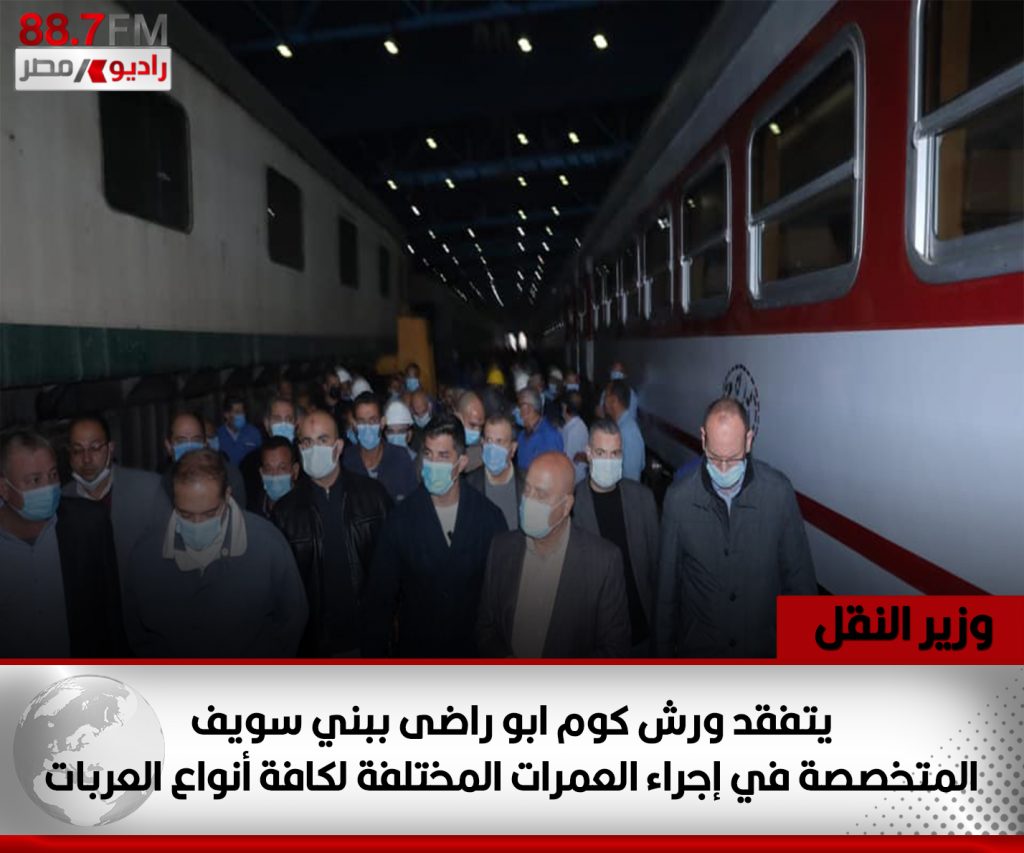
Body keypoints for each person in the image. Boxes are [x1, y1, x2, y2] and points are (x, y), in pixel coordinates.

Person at [654, 398, 818, 658]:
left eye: (732, 459)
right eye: (714, 457)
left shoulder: (778, 493)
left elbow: (800, 584)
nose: (722, 469)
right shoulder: (678, 500)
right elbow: (666, 596)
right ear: (703, 438)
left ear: (749, 440)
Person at [123, 449, 307, 657]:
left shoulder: (267, 544)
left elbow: (292, 617)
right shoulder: (147, 553)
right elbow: (136, 630)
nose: (197, 524)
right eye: (186, 515)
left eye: (209, 514)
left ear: (227, 495)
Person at [362, 417, 507, 657]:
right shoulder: (401, 519)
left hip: (471, 652)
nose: (432, 463)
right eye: (428, 454)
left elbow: (501, 596)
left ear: (461, 463)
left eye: (443, 456)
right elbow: (380, 598)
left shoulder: (488, 518)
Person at [477, 452, 630, 658]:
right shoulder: (501, 549)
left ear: (566, 506)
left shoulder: (603, 562)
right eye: (527, 490)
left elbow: (615, 649)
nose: (529, 501)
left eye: (541, 495)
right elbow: (485, 628)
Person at [271, 411, 392, 656]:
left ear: (338, 446)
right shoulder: (284, 513)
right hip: (315, 645)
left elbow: (393, 567)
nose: (314, 448)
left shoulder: (373, 496)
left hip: (369, 638)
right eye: (307, 442)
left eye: (322, 440)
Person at [0, 428, 127, 657]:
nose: (48, 487)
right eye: (35, 480)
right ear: (4, 488)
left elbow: (110, 612)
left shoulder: (88, 523)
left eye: (53, 475)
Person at [572, 419, 659, 654]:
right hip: (599, 641)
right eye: (601, 453)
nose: (608, 461)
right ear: (588, 453)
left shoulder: (643, 499)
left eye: (615, 454)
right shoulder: (572, 505)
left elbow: (657, 567)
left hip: (644, 633)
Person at [62, 413, 170, 575]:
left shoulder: (149, 489)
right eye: (77, 450)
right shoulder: (61, 501)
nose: (86, 459)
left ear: (110, 449)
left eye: (95, 448)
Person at [342, 392, 418, 502]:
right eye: (361, 422)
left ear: (382, 423)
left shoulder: (400, 458)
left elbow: (414, 502)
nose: (367, 427)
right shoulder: (345, 460)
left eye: (373, 420)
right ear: (354, 424)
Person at [164, 412, 247, 507]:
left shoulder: (229, 476)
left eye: (196, 440)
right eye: (181, 441)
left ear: (205, 444)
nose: (189, 446)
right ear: (168, 446)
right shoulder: (163, 485)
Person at [464, 413, 523, 530]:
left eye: (499, 442)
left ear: (513, 448)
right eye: (488, 440)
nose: (492, 448)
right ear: (482, 443)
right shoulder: (469, 485)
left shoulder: (527, 483)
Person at [602, 380, 645, 482]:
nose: (603, 400)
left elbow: (630, 478)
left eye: (606, 396)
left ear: (614, 400)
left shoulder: (628, 433)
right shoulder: (621, 427)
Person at [515, 388, 564, 472]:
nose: (517, 410)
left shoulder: (550, 437)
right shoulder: (521, 435)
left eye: (519, 406)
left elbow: (556, 472)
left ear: (528, 408)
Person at [254, 436, 300, 518]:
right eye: (269, 469)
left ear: (295, 470)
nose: (275, 475)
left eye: (282, 468)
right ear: (261, 473)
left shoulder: (307, 511)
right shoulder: (254, 509)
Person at [216, 394, 263, 466]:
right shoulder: (218, 435)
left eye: (243, 411)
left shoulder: (254, 433)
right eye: (237, 412)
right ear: (226, 415)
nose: (242, 415)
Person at [560, 391, 589, 486]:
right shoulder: (574, 426)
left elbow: (568, 460)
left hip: (574, 482)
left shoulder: (574, 431)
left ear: (564, 407)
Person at [455, 391, 486, 473]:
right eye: (472, 425)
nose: (477, 431)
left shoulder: (482, 450)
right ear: (458, 418)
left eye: (480, 426)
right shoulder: (442, 444)